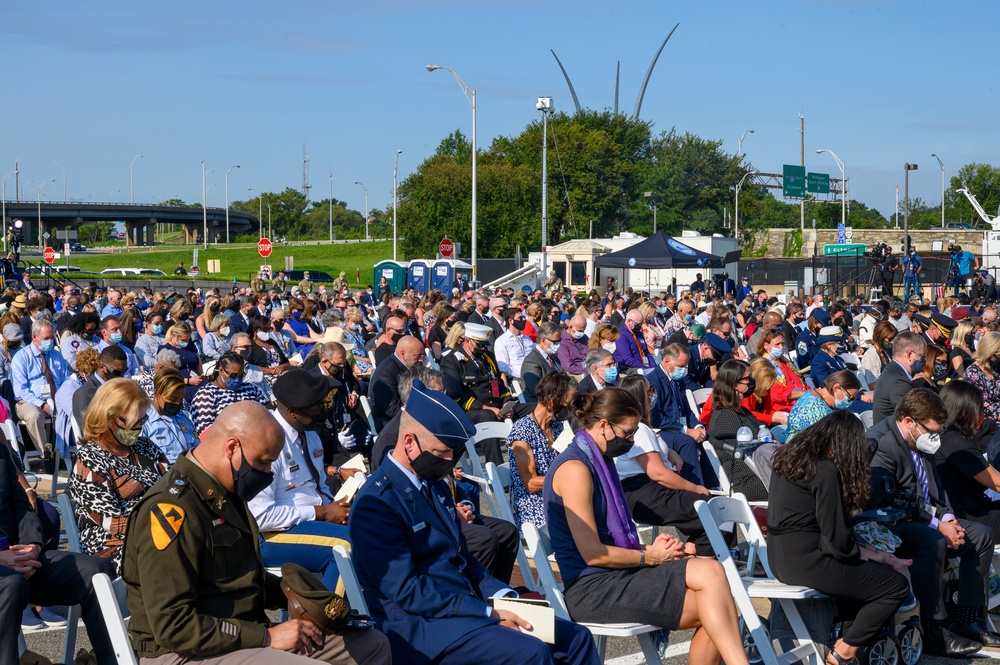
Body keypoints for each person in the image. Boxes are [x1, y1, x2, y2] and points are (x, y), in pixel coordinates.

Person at [349, 379, 600, 665]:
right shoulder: (376, 503)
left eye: (452, 454)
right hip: (422, 627)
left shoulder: (434, 485)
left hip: (463, 609)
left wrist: (504, 596)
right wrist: (485, 614)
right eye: (442, 452)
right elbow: (407, 591)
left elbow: (463, 560)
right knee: (532, 653)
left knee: (575, 637)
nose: (448, 461)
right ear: (409, 442)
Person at [122, 401, 392, 665]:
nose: (265, 475)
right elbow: (173, 626)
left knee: (371, 645)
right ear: (232, 448)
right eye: (263, 464)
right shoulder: (172, 511)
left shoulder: (226, 493)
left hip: (240, 637)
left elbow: (241, 578)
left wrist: (297, 597)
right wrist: (265, 636)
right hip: (184, 651)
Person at [543, 387, 750, 665]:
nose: (630, 441)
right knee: (717, 605)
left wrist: (649, 549)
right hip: (592, 588)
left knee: (714, 583)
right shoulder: (575, 469)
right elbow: (593, 553)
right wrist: (647, 556)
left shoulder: (597, 459)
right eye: (628, 433)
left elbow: (609, 539)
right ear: (603, 425)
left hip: (617, 574)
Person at [768, 411, 910, 665]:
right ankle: (844, 650)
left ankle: (843, 643)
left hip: (781, 557)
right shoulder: (823, 470)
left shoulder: (788, 460)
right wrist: (872, 555)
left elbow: (829, 537)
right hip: (809, 561)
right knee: (894, 586)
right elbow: (838, 543)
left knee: (867, 576)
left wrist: (872, 555)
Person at [869, 388, 996, 655]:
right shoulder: (883, 444)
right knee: (933, 541)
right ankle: (934, 631)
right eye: (932, 431)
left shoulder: (919, 440)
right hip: (892, 523)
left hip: (925, 516)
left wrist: (948, 518)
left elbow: (937, 491)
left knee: (981, 536)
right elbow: (892, 500)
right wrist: (938, 525)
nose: (935, 438)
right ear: (909, 422)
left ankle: (968, 619)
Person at [0, 438, 118, 664]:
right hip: (6, 573)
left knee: (96, 572)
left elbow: (22, 507)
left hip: (20, 556)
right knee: (11, 584)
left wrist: (33, 545)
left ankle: (113, 660)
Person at [248, 370, 353, 593]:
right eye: (317, 407)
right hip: (272, 536)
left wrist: (337, 508)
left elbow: (319, 486)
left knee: (371, 530)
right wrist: (321, 513)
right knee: (346, 547)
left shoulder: (309, 432)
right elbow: (261, 517)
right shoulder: (266, 443)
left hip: (310, 520)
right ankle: (328, 620)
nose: (324, 411)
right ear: (293, 411)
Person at [70, 378, 167, 573]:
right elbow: (111, 521)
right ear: (108, 417)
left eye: (142, 420)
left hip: (160, 529)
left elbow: (172, 486)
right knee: (171, 557)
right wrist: (161, 529)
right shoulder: (90, 458)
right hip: (113, 543)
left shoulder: (146, 447)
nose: (139, 428)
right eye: (132, 423)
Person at [615, 373, 713, 556]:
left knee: (715, 509)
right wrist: (695, 488)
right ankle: (695, 557)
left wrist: (669, 451)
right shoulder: (639, 429)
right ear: (640, 397)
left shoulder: (643, 428)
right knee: (712, 511)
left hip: (649, 490)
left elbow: (651, 449)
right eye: (650, 389)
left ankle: (693, 553)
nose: (654, 393)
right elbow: (658, 473)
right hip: (644, 492)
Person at [507, 372, 577, 528]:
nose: (570, 406)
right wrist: (567, 481)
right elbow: (531, 484)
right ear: (551, 400)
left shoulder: (557, 426)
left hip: (559, 494)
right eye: (567, 401)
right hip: (535, 504)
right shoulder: (522, 431)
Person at [935, 381, 1000, 541]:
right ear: (965, 412)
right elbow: (997, 483)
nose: (982, 415)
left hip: (967, 510)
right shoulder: (955, 442)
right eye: (979, 409)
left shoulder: (944, 436)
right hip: (969, 519)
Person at [645, 343, 707, 486]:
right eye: (680, 366)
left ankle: (712, 483)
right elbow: (657, 417)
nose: (684, 370)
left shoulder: (678, 380)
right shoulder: (653, 382)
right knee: (687, 442)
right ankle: (693, 488)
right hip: (663, 430)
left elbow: (687, 408)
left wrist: (697, 426)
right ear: (667, 361)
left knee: (706, 435)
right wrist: (685, 430)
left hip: (680, 425)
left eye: (685, 366)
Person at [706, 360, 767, 500]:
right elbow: (749, 452)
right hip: (748, 481)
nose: (752, 381)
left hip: (760, 473)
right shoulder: (726, 416)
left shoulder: (742, 411)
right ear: (735, 384)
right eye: (748, 378)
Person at [11, 319, 68, 458]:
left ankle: (68, 451)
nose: (50, 341)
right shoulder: (21, 357)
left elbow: (65, 381)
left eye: (52, 337)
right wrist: (41, 404)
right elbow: (20, 390)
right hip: (29, 401)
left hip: (56, 399)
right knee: (34, 416)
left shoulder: (57, 355)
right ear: (34, 337)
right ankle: (46, 456)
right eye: (46, 338)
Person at [191, 352, 270, 435]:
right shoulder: (206, 395)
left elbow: (266, 413)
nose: (238, 378)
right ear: (221, 370)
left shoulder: (250, 388)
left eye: (241, 375)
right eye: (233, 375)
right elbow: (205, 432)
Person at [141, 368, 199, 465]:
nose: (177, 404)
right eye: (172, 399)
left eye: (180, 400)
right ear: (156, 393)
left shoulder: (184, 418)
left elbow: (197, 449)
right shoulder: (143, 423)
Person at [784, 370, 861, 442]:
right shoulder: (813, 408)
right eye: (849, 397)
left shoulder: (826, 402)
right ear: (836, 388)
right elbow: (818, 442)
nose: (850, 401)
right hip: (800, 451)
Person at [368, 335, 424, 431]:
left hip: (407, 415)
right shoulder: (385, 374)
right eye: (417, 356)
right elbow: (392, 409)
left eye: (423, 356)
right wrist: (422, 411)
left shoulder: (408, 365)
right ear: (403, 354)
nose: (421, 360)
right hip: (389, 424)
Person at [872, 331, 926, 423]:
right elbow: (913, 416)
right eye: (922, 356)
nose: (924, 361)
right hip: (890, 435)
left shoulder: (891, 370)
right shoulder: (899, 381)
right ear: (909, 355)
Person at [72, 344, 129, 430]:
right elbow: (90, 431)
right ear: (102, 367)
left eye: (124, 372)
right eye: (117, 372)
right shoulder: (84, 395)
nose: (122, 376)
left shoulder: (122, 390)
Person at [519, 321, 563, 401]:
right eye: (555, 342)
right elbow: (538, 391)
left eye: (559, 341)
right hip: (542, 405)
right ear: (543, 341)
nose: (558, 345)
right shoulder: (531, 362)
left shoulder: (554, 358)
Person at [963, 331, 1000, 422]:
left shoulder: (995, 368)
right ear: (991, 353)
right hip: (986, 422)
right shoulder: (972, 373)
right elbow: (982, 404)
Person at [494, 307, 533, 378]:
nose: (524, 320)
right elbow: (503, 367)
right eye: (520, 318)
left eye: (523, 317)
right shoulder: (502, 341)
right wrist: (523, 373)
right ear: (510, 320)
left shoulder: (527, 339)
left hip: (534, 374)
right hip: (517, 378)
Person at [860, 321, 897, 388]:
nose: (892, 342)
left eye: (893, 338)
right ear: (880, 337)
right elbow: (872, 385)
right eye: (889, 339)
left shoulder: (884, 353)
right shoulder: (870, 356)